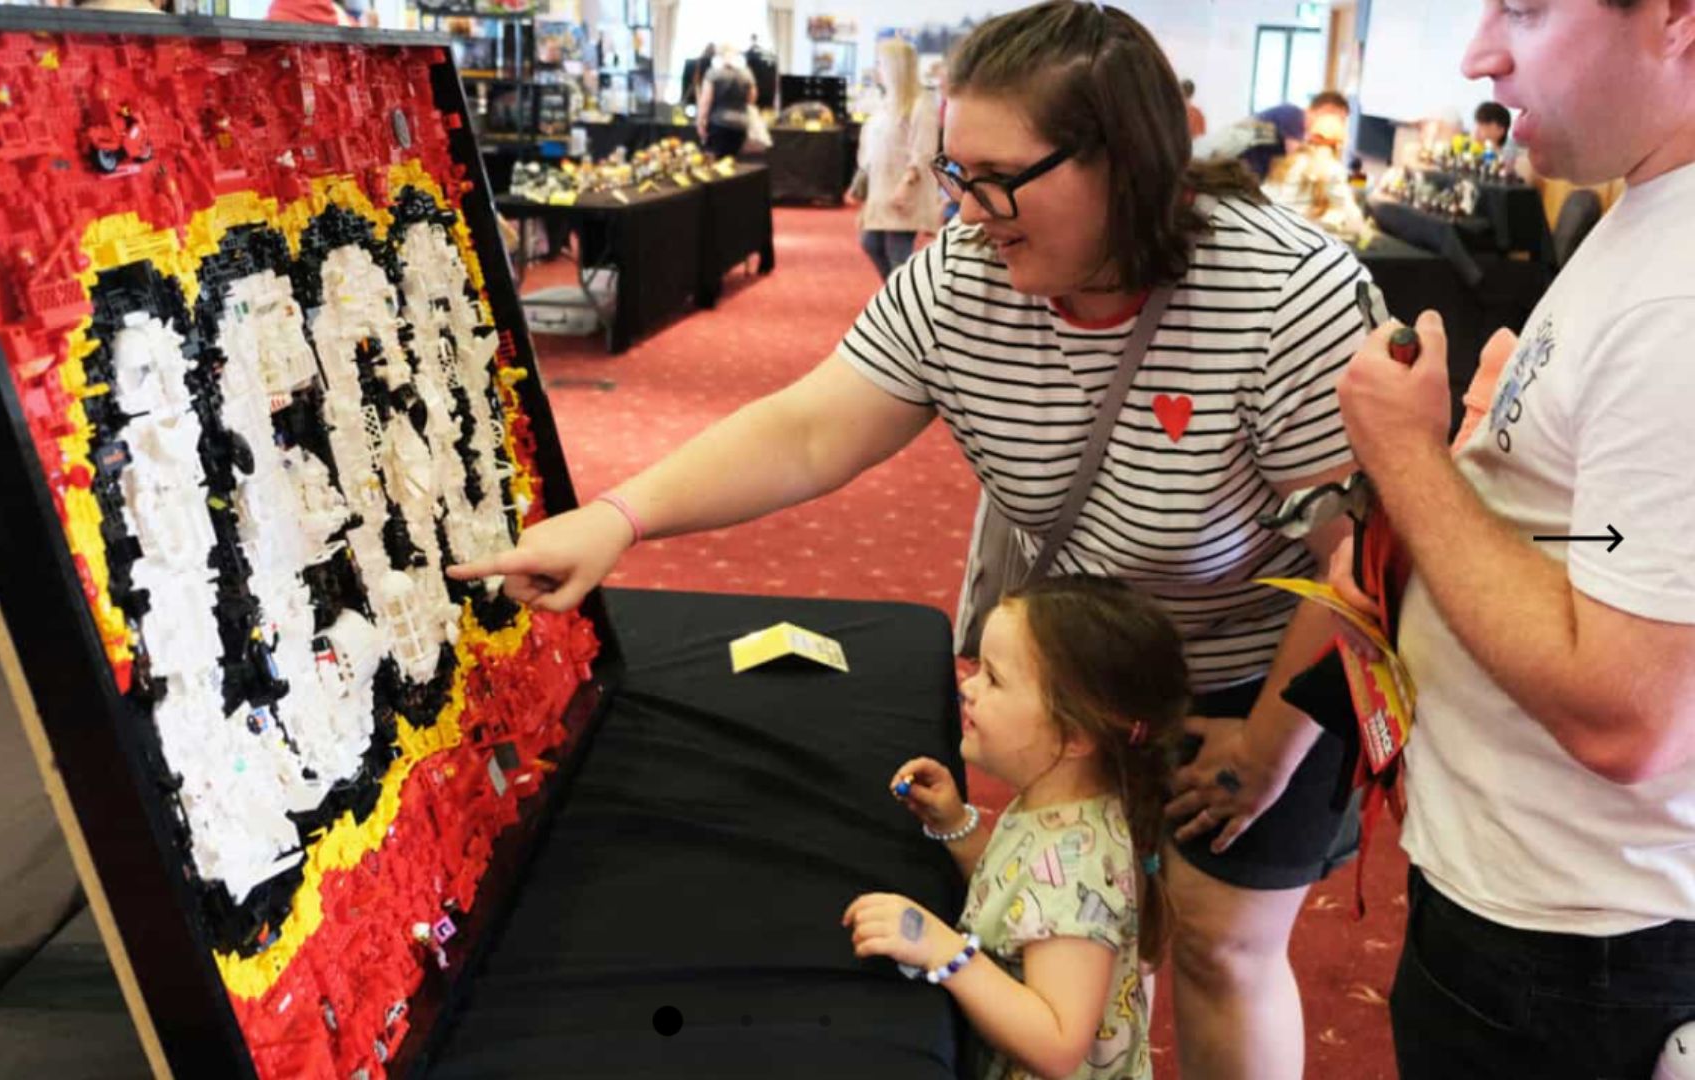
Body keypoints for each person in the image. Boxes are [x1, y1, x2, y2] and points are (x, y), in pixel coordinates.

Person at [452, 6, 1374, 1075]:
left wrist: (1268, 745)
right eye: (954, 172)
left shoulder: (1285, 297)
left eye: (996, 178)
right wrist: (622, 518)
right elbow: (809, 427)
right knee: (1082, 910)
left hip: (1258, 673)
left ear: (1123, 159)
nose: (969, 212)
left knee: (1220, 944)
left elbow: (1358, 563)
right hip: (1084, 667)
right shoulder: (967, 277)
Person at [1328, 0, 1695, 1075]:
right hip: (1555, 915)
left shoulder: (1680, 292)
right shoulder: (1646, 210)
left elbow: (1630, 716)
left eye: (1526, 9)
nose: (1481, 53)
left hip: (1579, 949)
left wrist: (1411, 459)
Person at [845, 576, 1189, 1080]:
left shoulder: (1078, 872)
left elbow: (1056, 1045)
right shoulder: (1063, 803)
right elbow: (1021, 898)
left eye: (994, 678)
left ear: (1072, 734)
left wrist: (943, 951)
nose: (967, 686)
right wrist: (958, 827)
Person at [854, 38, 941, 280]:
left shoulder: (920, 104)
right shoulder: (885, 103)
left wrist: (906, 185)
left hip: (903, 190)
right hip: (882, 188)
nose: (877, 69)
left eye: (881, 63)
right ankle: (894, 297)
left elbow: (924, 150)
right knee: (871, 242)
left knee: (897, 252)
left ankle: (898, 302)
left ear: (895, 67)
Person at [1235, 90, 1351, 180]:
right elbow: (1295, 158)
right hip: (1237, 173)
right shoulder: (1293, 115)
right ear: (1327, 110)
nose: (1339, 126)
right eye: (1340, 120)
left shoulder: (1297, 126)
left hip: (1248, 175)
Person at [696, 46, 756, 160]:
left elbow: (706, 101)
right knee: (733, 162)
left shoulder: (713, 73)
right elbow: (751, 99)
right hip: (741, 124)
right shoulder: (747, 74)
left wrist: (700, 122)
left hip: (718, 123)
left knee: (715, 161)